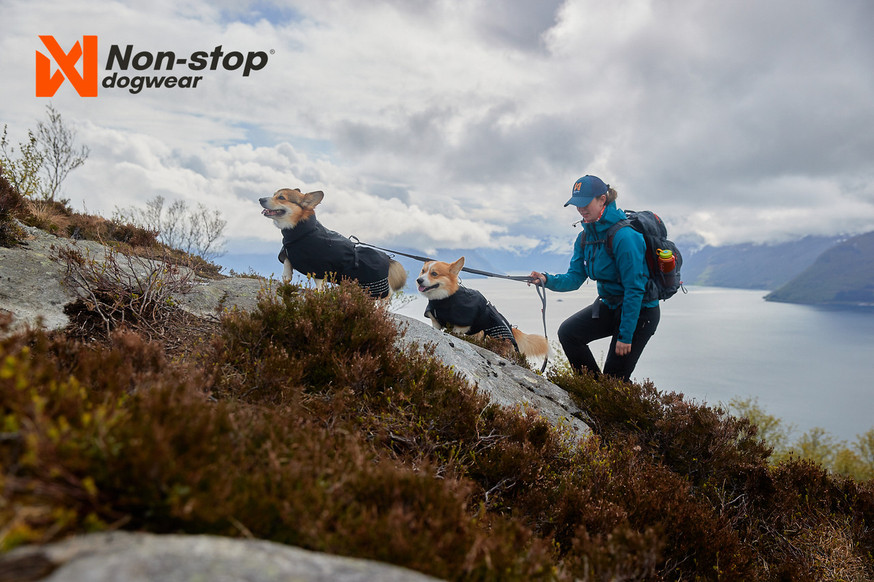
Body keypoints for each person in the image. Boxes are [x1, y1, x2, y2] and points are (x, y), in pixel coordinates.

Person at [529, 175, 660, 381]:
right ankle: (591, 391)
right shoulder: (585, 237)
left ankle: (606, 399)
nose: (580, 209)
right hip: (610, 305)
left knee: (614, 381)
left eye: (585, 203)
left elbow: (635, 289)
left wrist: (625, 336)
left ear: (602, 199)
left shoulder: (625, 237)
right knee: (569, 333)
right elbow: (574, 278)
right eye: (577, 205)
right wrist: (547, 279)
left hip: (640, 312)